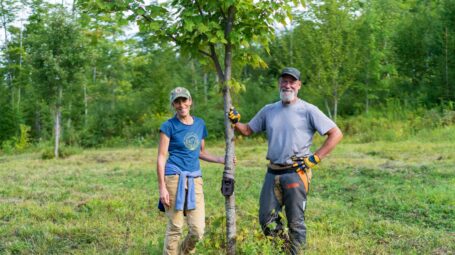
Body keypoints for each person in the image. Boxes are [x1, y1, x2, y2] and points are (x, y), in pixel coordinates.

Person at [228, 67, 343, 254]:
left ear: (299, 85)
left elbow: (336, 133)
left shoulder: (308, 110)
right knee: (266, 218)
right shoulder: (269, 110)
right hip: (272, 172)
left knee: (295, 221)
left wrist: (315, 158)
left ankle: (295, 252)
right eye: (284, 81)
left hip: (296, 172)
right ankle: (283, 251)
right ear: (279, 84)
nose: (287, 85)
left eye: (292, 81)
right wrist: (235, 122)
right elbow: (248, 130)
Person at [157, 87, 229, 255]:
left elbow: (200, 152)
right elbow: (161, 157)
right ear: (173, 104)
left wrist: (221, 159)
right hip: (174, 177)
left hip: (195, 178)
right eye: (177, 101)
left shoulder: (199, 124)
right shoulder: (168, 126)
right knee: (175, 226)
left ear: (190, 101)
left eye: (184, 100)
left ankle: (184, 252)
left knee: (198, 229)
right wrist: (162, 187)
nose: (181, 105)